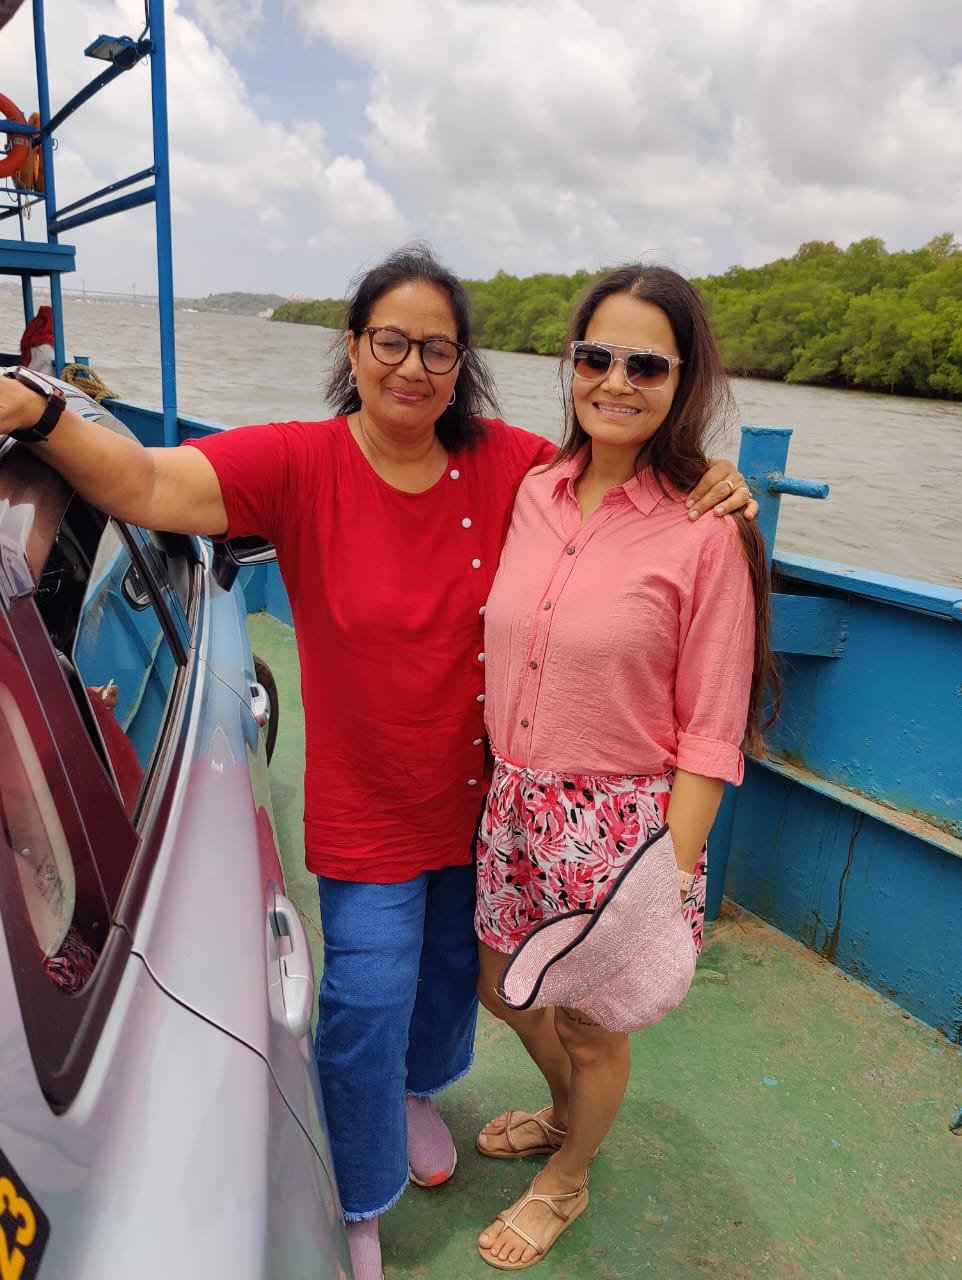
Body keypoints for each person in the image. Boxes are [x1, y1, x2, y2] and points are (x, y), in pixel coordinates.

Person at [0, 246, 755, 1280]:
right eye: (389, 340)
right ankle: (357, 1190)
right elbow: (142, 480)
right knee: (362, 995)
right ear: (353, 346)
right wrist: (40, 418)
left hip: (493, 807)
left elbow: (629, 485)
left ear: (462, 363)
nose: (412, 365)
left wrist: (714, 478)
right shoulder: (298, 463)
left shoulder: (517, 468)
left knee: (454, 977)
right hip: (367, 803)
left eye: (437, 347)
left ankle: (415, 1092)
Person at [472, 264, 776, 1270]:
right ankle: (565, 1114)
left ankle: (566, 1175)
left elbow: (709, 725)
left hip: (620, 825)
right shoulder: (529, 492)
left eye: (645, 363)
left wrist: (665, 879)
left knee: (593, 1023)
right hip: (514, 802)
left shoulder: (705, 526)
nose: (614, 379)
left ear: (680, 381)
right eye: (594, 355)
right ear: (569, 365)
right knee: (505, 986)